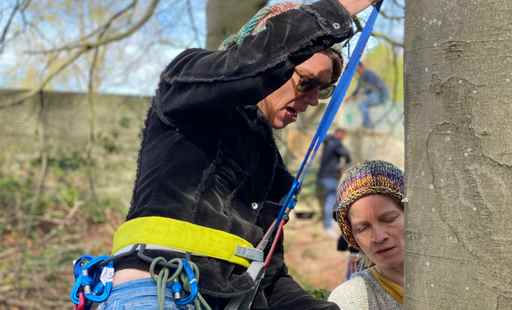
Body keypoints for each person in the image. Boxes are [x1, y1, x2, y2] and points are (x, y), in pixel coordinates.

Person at [98, 1, 381, 310]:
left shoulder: (273, 173)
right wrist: (336, 10)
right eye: (307, 82)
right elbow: (248, 66)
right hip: (157, 289)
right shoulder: (186, 88)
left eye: (323, 90)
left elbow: (268, 281)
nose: (313, 100)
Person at [328, 160, 404, 309]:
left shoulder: (455, 275)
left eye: (389, 219)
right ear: (352, 237)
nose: (379, 237)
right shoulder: (350, 299)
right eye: (363, 228)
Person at [317, 128, 351, 235]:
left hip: (323, 175)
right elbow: (346, 154)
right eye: (343, 136)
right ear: (339, 134)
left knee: (332, 200)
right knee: (330, 200)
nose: (343, 138)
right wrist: (347, 161)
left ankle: (330, 221)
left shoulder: (328, 141)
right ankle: (328, 226)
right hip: (329, 176)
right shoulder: (336, 143)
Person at [351, 63, 389, 128]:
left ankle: (367, 124)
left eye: (358, 70)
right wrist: (352, 96)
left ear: (362, 67)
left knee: (362, 104)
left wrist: (360, 94)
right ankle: (367, 123)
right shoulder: (362, 76)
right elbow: (358, 89)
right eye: (356, 71)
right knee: (363, 105)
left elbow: (370, 87)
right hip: (376, 95)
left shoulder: (368, 73)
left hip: (380, 95)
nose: (357, 72)